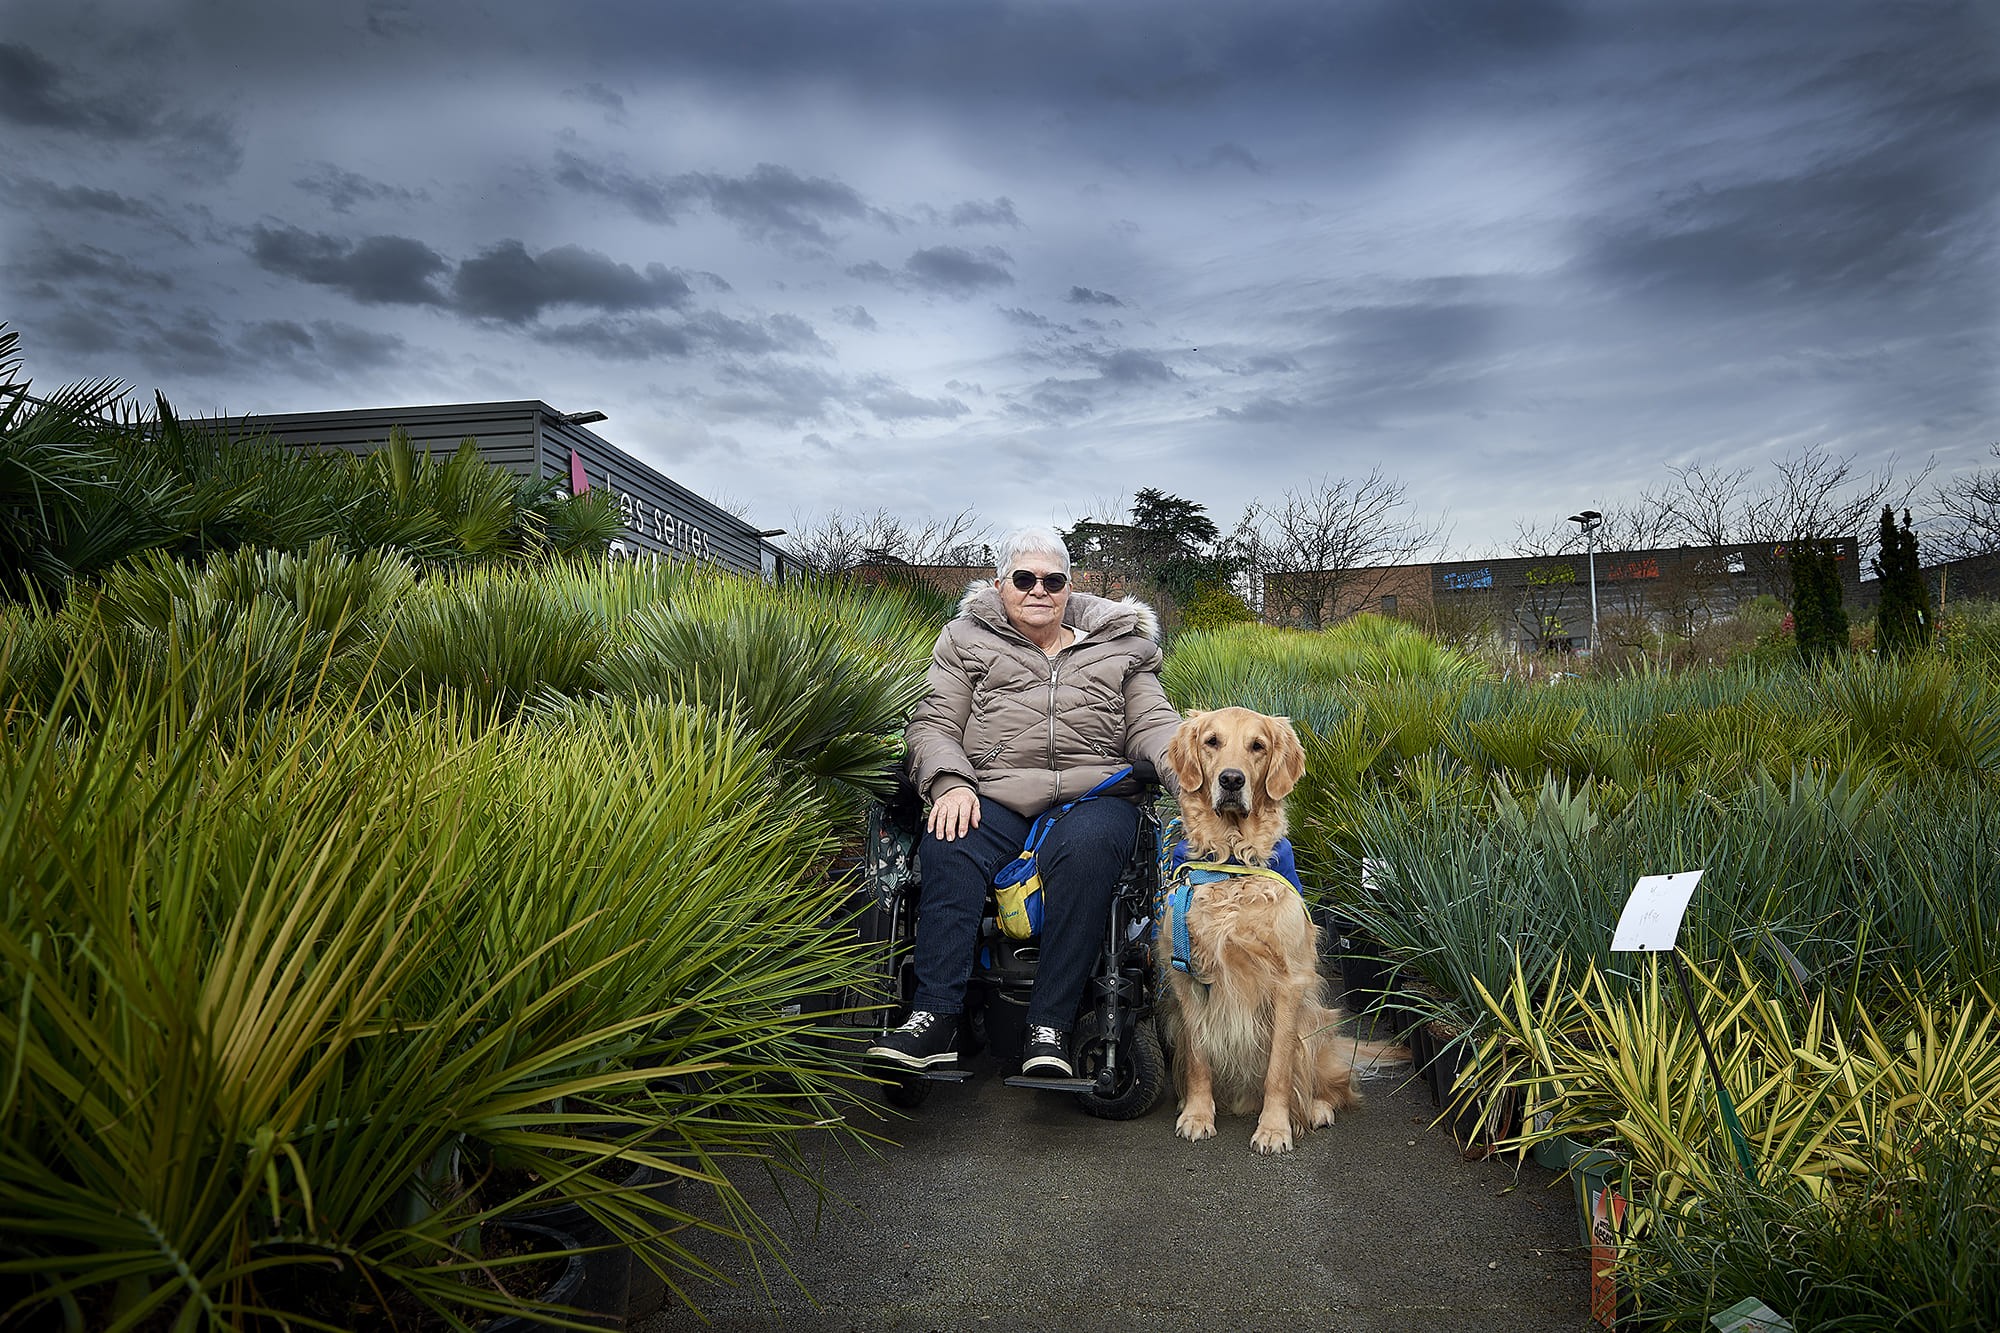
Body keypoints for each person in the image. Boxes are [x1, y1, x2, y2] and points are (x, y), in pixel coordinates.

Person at [867, 525, 1181, 1078]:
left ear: (1070, 587)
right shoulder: (966, 641)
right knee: (949, 836)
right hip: (996, 792)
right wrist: (950, 782)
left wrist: (1184, 768)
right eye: (1025, 578)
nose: (1039, 590)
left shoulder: (1125, 648)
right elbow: (935, 724)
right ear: (1000, 584)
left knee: (1090, 848)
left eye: (1052, 580)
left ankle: (1050, 1026)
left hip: (1094, 795)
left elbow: (1153, 724)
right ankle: (935, 1017)